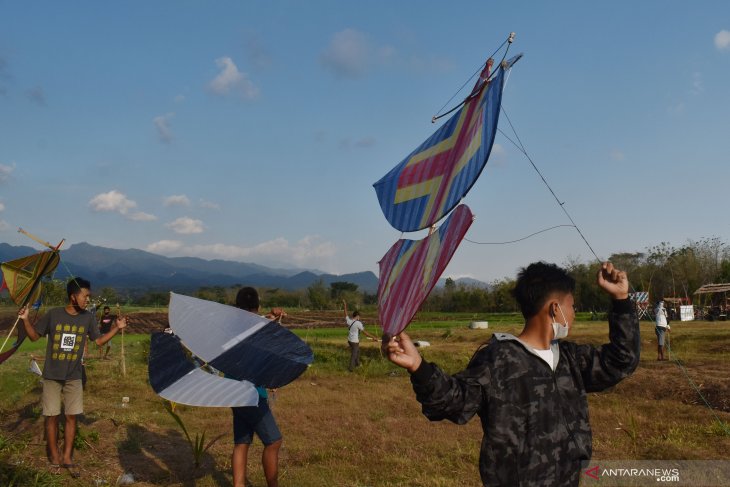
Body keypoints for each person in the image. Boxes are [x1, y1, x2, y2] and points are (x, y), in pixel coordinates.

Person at [384, 261, 640, 486]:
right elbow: (451, 401)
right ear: (555, 309)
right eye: (571, 306)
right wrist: (418, 367)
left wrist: (621, 301)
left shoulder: (571, 358)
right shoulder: (498, 360)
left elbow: (621, 361)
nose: (573, 315)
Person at [19, 277, 127, 475]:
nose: (88, 300)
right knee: (51, 417)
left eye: (88, 296)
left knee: (71, 416)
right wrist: (26, 319)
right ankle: (54, 456)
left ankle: (67, 456)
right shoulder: (54, 315)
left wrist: (116, 328)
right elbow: (34, 336)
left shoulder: (87, 318)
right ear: (73, 296)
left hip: (74, 377)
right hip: (52, 376)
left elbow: (99, 341)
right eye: (85, 296)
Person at [231, 286, 283, 487]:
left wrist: (269, 317)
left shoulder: (231, 328)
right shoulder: (255, 329)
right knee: (273, 441)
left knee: (241, 443)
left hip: (232, 392)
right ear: (257, 306)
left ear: (236, 307)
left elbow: (252, 322)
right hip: (251, 394)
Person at [343, 299, 379, 371]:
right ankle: (350, 368)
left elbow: (345, 314)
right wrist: (373, 337)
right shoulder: (358, 323)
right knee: (354, 354)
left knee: (357, 352)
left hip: (350, 341)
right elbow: (365, 333)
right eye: (359, 316)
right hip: (354, 342)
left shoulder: (349, 321)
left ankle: (357, 364)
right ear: (357, 316)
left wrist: (345, 305)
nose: (359, 318)